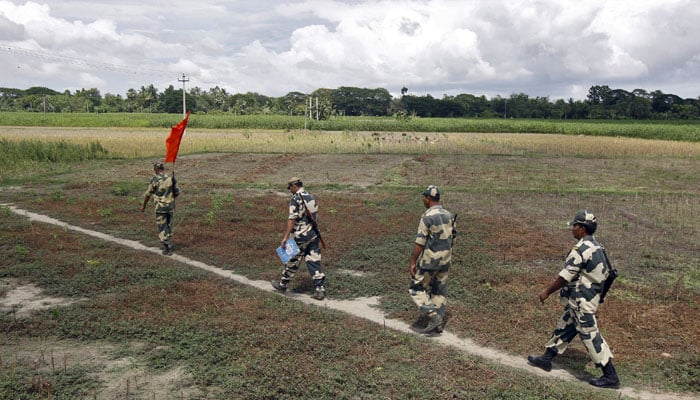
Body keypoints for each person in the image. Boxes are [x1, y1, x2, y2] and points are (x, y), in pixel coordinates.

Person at [527, 211, 620, 389]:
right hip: (587, 298)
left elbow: (565, 277)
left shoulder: (581, 250)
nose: (573, 228)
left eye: (575, 226)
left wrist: (547, 291)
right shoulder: (598, 247)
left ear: (582, 228)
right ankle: (546, 358)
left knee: (590, 335)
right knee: (565, 325)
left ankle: (610, 375)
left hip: (582, 301)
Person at [409, 185, 456, 334]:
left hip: (430, 261)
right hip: (445, 260)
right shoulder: (449, 215)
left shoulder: (427, 217)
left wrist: (413, 261)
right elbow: (453, 235)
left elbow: (420, 242)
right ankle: (438, 325)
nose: (423, 199)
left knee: (416, 288)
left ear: (428, 198)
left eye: (424, 197)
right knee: (439, 291)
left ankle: (433, 316)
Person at [271, 177, 326, 300]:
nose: (290, 190)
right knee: (314, 261)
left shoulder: (295, 198)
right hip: (313, 235)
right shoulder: (311, 197)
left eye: (290, 188)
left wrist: (285, 237)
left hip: (299, 237)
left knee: (291, 261)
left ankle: (282, 285)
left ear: (294, 186)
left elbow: (292, 219)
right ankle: (319, 289)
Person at [140, 162, 180, 255]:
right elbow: (177, 192)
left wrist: (143, 206)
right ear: (163, 169)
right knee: (169, 225)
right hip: (170, 207)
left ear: (156, 170)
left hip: (160, 208)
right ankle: (168, 242)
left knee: (162, 227)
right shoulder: (171, 179)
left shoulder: (155, 180)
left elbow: (147, 194)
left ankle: (167, 247)